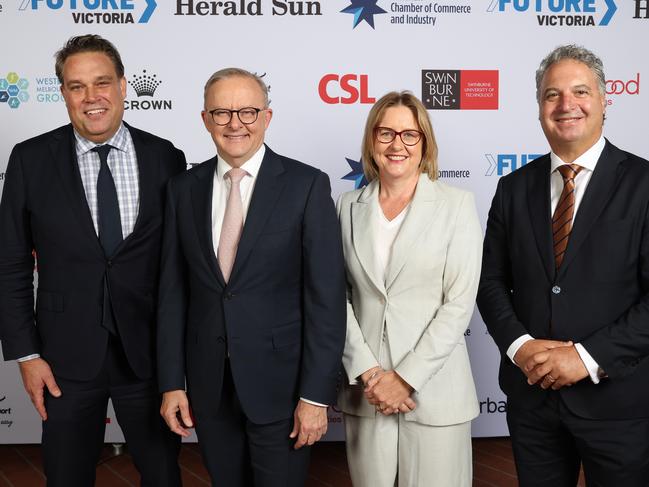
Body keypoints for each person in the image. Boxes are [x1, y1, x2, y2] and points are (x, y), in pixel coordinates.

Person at [0, 35, 185, 486]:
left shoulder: (166, 158)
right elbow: (11, 265)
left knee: (163, 475)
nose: (91, 97)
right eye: (76, 86)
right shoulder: (29, 160)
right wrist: (26, 354)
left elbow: (179, 267)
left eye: (101, 82)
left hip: (148, 357)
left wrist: (179, 360)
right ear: (63, 93)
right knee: (66, 476)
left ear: (123, 85)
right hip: (64, 359)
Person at [157, 67, 346, 486]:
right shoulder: (181, 190)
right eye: (222, 113)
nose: (235, 124)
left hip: (282, 390)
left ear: (267, 116)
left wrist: (315, 396)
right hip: (208, 389)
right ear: (205, 119)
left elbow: (326, 301)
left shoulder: (306, 185)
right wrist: (172, 383)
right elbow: (172, 294)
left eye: (247, 111)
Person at [477, 44, 649, 486]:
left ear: (605, 100)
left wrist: (585, 358)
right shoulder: (513, 188)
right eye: (552, 94)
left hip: (619, 404)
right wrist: (520, 347)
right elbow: (491, 280)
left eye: (580, 91)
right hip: (532, 401)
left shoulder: (644, 184)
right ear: (539, 108)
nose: (566, 104)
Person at [337, 91, 482, 486]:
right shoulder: (346, 206)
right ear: (371, 141)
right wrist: (369, 373)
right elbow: (337, 298)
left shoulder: (456, 205)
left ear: (425, 144)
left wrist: (404, 379)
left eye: (409, 135)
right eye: (385, 133)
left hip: (436, 392)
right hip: (367, 395)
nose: (396, 144)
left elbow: (458, 303)